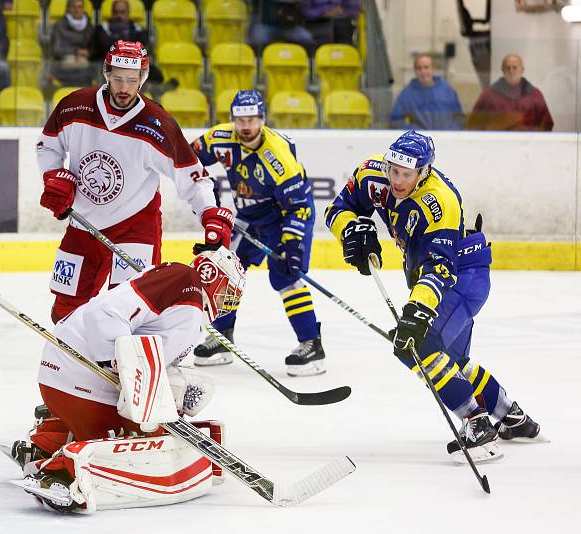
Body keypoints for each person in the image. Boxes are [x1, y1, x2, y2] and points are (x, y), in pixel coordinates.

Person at [324, 130, 543, 463]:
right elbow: (339, 209)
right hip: (430, 276)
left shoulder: (440, 202)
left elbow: (439, 269)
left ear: (423, 171)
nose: (397, 180)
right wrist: (352, 230)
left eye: (406, 174)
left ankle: (476, 421)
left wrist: (418, 310)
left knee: (417, 345)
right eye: (393, 171)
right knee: (452, 362)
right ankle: (511, 415)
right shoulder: (374, 174)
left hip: (462, 277)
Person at [10, 248, 246, 513]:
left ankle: (45, 443)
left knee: (158, 424)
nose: (228, 301)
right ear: (209, 274)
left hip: (68, 380)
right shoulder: (185, 281)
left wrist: (172, 393)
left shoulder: (187, 304)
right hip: (79, 379)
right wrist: (114, 361)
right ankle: (59, 474)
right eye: (227, 291)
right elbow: (102, 314)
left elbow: (150, 361)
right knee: (144, 439)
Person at [36, 40, 234, 324]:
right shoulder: (74, 106)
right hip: (82, 223)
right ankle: (76, 356)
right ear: (106, 73)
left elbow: (193, 176)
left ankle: (127, 359)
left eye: (132, 80)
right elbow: (48, 146)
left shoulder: (158, 124)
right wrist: (54, 175)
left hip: (135, 226)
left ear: (143, 77)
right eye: (117, 78)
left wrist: (209, 213)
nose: (124, 88)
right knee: (65, 310)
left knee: (129, 306)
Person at [190, 90, 326, 376]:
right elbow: (187, 155)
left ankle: (311, 344)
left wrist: (292, 242)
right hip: (249, 216)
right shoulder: (220, 138)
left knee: (285, 276)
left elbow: (298, 206)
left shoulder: (278, 157)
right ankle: (222, 338)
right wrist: (202, 181)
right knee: (223, 268)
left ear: (263, 119)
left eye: (252, 119)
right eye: (240, 120)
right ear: (232, 120)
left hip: (283, 215)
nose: (246, 126)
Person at [466, 53, 553, 131]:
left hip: (527, 146)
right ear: (502, 70)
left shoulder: (535, 95)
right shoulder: (488, 96)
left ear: (522, 70)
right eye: (508, 68)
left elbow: (547, 124)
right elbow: (473, 125)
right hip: (497, 145)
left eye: (515, 68)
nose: (511, 71)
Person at [390, 53, 464, 131]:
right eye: (419, 68)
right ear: (415, 71)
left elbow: (459, 117)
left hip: (446, 139)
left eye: (426, 67)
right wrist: (415, 132)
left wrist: (450, 131)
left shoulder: (448, 91)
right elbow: (396, 121)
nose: (423, 71)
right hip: (421, 141)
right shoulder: (406, 94)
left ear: (433, 69)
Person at [50, 0, 95, 86]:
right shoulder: (60, 25)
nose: (77, 10)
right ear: (68, 9)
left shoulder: (89, 26)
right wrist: (76, 51)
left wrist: (88, 53)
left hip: (85, 61)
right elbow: (56, 49)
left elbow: (94, 47)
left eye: (80, 7)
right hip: (64, 61)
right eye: (74, 7)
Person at [248, 0, 315, 55]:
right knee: (257, 39)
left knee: (306, 38)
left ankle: (300, 64)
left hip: (289, 27)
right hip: (266, 25)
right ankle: (261, 65)